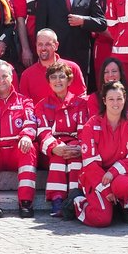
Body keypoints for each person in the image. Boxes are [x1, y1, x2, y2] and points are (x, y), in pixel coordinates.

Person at [68, 81, 128, 228]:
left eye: (119, 98)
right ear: (104, 101)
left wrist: (114, 171)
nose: (115, 103)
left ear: (124, 100)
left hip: (122, 175)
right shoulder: (91, 125)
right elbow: (90, 164)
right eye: (111, 99)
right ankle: (78, 201)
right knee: (101, 219)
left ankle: (123, 206)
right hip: (97, 176)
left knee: (124, 186)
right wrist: (107, 190)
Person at [0, 61, 42, 218]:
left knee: (30, 147)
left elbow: (31, 122)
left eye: (5, 76)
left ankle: (25, 201)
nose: (1, 80)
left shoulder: (25, 101)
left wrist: (26, 135)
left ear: (12, 77)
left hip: (15, 151)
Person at [29, 0, 106, 80]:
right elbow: (40, 30)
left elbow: (102, 23)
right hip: (55, 57)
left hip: (81, 56)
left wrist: (83, 21)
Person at [32, 60, 88, 219]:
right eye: (53, 77)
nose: (58, 81)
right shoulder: (42, 106)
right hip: (53, 149)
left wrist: (80, 148)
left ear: (69, 80)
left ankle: (75, 198)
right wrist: (54, 147)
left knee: (75, 158)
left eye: (62, 77)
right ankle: (57, 200)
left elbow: (85, 130)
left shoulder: (81, 104)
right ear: (48, 81)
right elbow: (42, 132)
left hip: (75, 145)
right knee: (57, 158)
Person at [19, 29, 88, 103]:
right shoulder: (26, 75)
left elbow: (82, 98)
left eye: (48, 44)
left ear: (56, 45)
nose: (43, 48)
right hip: (39, 114)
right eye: (40, 44)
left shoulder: (72, 68)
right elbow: (25, 105)